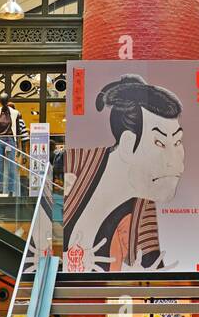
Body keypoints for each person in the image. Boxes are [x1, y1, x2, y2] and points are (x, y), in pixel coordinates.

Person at [63, 74, 185, 273]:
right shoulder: (76, 165)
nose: (174, 161)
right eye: (159, 143)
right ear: (128, 144)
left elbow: (150, 263)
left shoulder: (143, 204)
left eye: (178, 142)